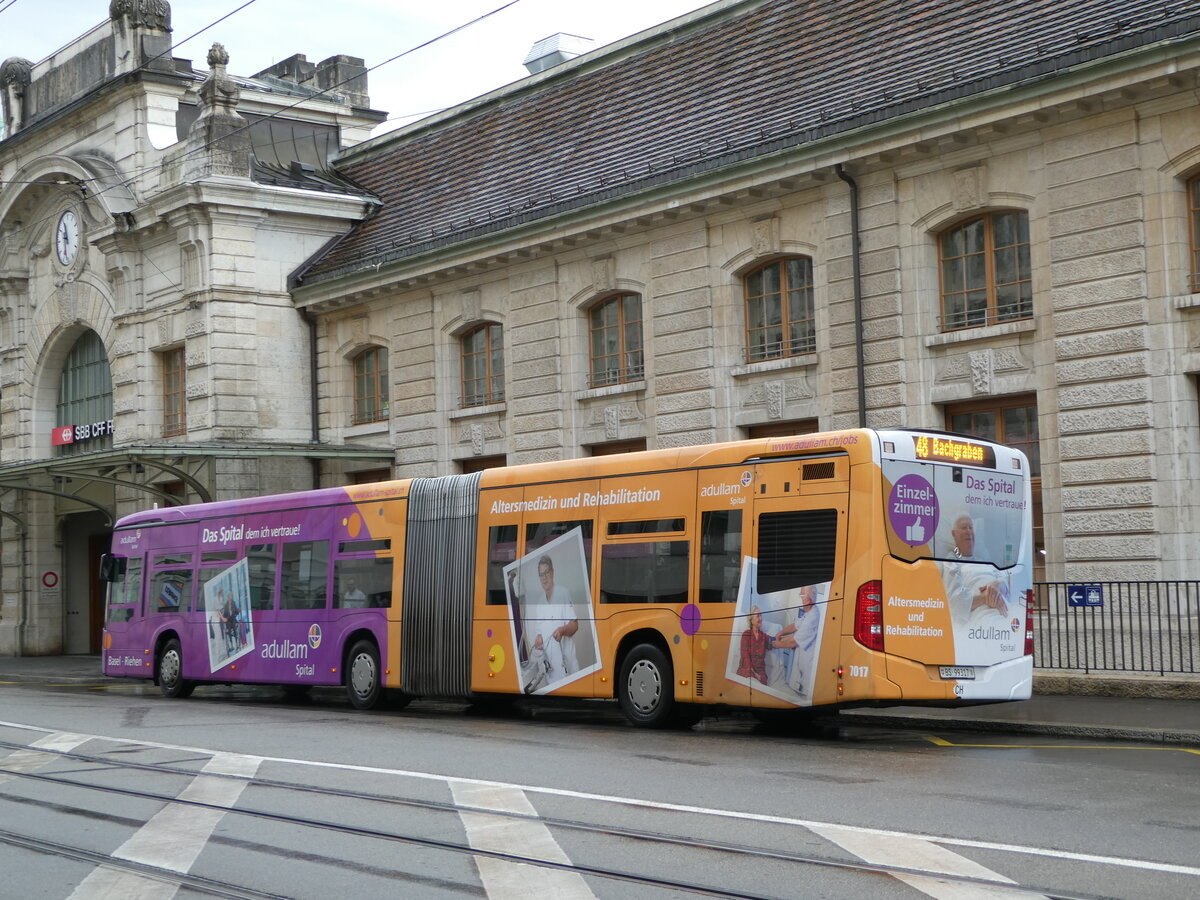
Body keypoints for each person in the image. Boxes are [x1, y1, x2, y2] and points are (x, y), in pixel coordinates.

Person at [942, 513, 1009, 627]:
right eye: (964, 528)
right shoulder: (951, 562)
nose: (969, 531)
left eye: (971, 527)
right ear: (954, 534)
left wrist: (998, 584)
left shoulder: (985, 561)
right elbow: (956, 603)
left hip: (1006, 611)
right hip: (981, 617)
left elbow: (1006, 583)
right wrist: (985, 597)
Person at [530, 555, 579, 682]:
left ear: (553, 572)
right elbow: (539, 632)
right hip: (551, 671)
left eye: (547, 572)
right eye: (541, 574)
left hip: (568, 667)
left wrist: (563, 630)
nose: (544, 577)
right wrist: (538, 638)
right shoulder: (540, 602)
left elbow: (575, 625)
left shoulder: (564, 593)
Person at [736, 605, 773, 685]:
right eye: (758, 616)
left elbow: (774, 642)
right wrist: (753, 673)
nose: (761, 618)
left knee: (762, 682)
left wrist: (791, 640)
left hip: (760, 673)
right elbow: (745, 655)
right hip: (747, 669)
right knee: (751, 680)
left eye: (761, 615)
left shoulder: (764, 636)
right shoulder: (746, 634)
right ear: (751, 620)